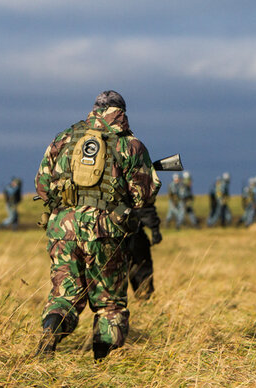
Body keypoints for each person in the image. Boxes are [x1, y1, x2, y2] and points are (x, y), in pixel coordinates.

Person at [34, 90, 161, 360]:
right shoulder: (131, 145)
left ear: (94, 109)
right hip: (105, 233)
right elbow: (143, 196)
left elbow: (42, 185)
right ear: (122, 113)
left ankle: (49, 335)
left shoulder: (65, 137)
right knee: (109, 303)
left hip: (62, 229)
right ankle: (101, 362)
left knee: (63, 295)